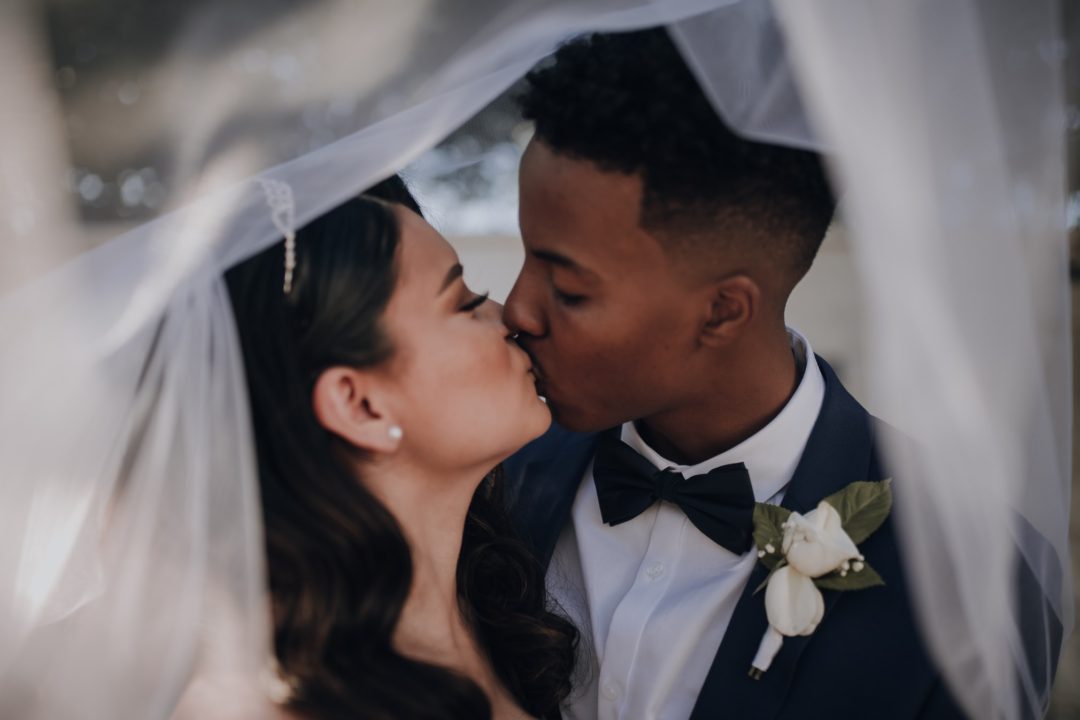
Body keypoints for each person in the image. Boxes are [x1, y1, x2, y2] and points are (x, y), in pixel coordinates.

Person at [502, 29, 965, 719]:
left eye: (568, 288)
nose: (515, 307)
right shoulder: (491, 477)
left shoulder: (960, 576)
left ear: (722, 312)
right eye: (526, 257)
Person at [223, 177, 576, 720]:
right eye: (465, 302)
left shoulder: (499, 610)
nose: (507, 314)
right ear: (358, 405)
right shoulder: (269, 696)